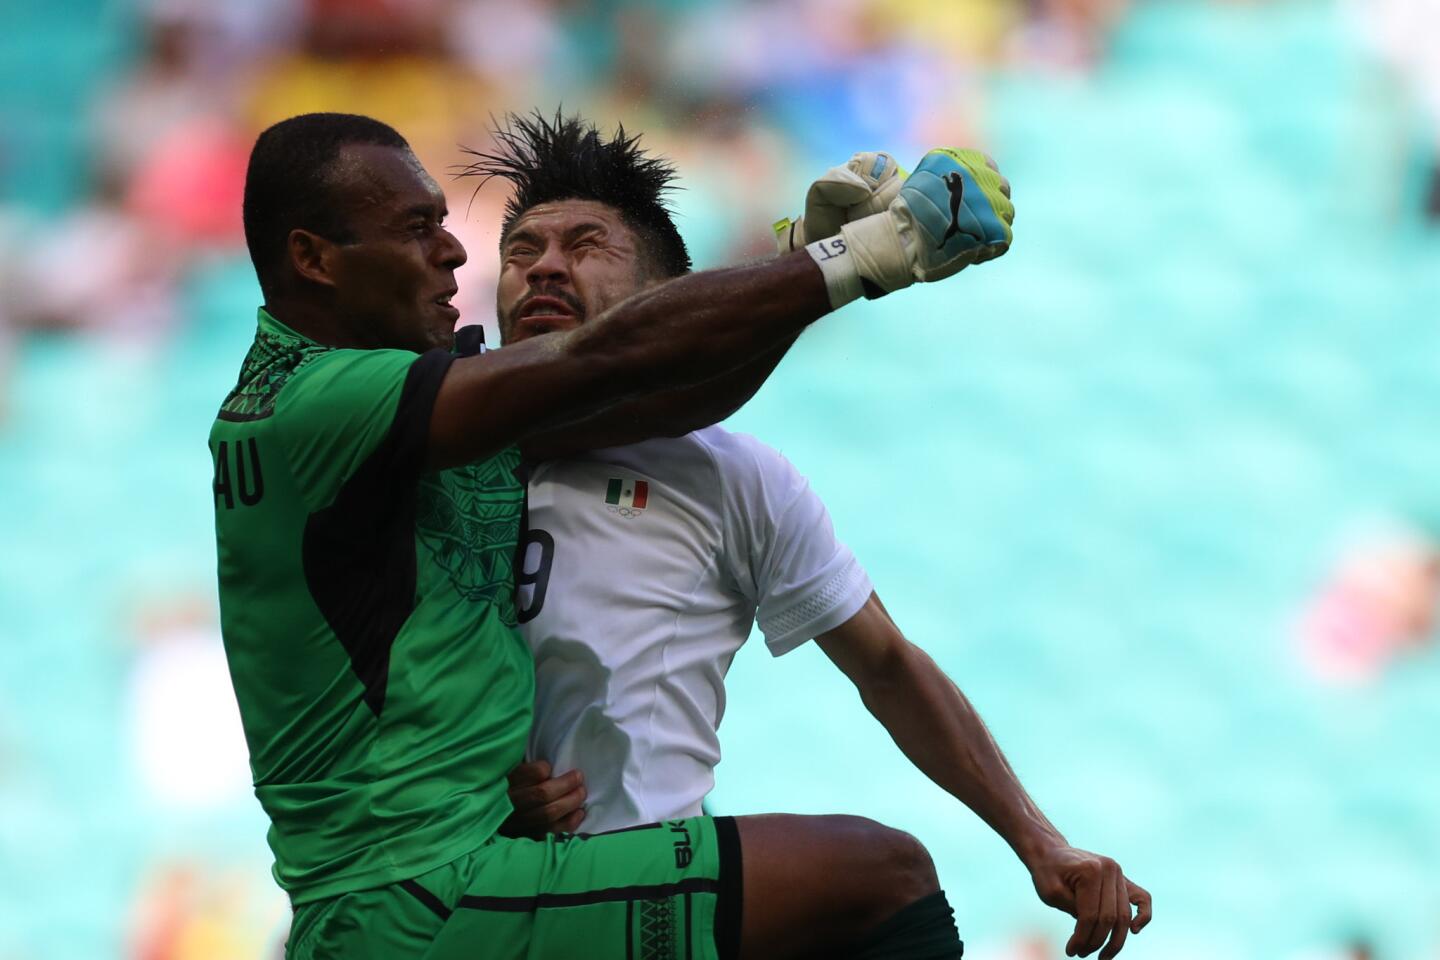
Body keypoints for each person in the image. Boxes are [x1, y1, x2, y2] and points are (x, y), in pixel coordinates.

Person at [212, 110, 1021, 959]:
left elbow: (655, 395)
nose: (456, 252)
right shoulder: (332, 405)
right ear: (311, 259)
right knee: (882, 877)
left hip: (439, 883)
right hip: (427, 897)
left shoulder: (395, 414)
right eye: (419, 229)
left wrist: (791, 277)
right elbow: (609, 363)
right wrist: (868, 254)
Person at [469, 113, 1152, 960]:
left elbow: (887, 665)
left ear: (660, 297)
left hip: (650, 889)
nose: (542, 266)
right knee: (884, 875)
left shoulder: (731, 477)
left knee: (883, 877)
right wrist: (825, 269)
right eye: (521, 250)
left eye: (585, 245)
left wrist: (1041, 840)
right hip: (474, 887)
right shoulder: (439, 444)